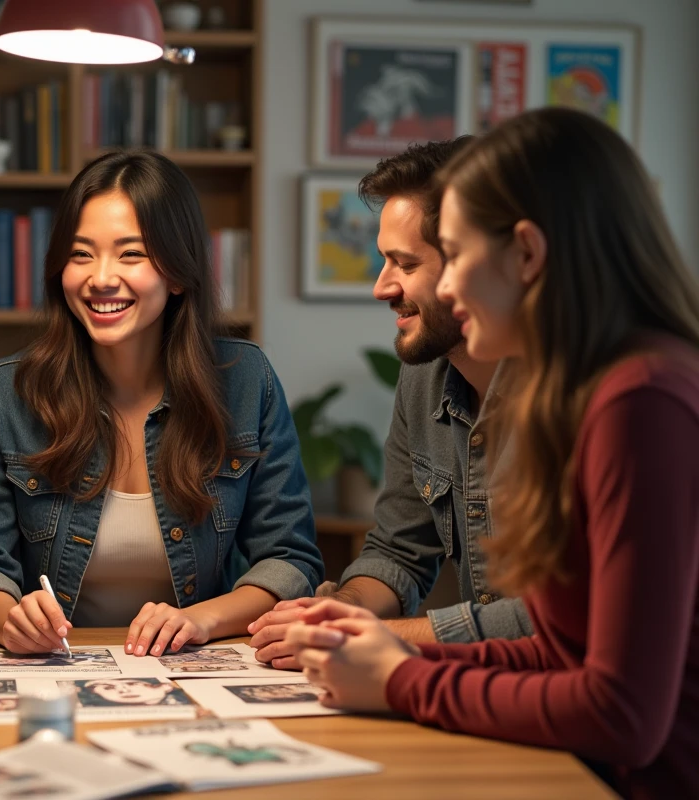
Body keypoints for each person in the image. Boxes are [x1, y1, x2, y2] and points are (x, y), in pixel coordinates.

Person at [254, 108, 699, 800]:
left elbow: (624, 716)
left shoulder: (638, 398)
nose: (452, 289)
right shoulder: (597, 388)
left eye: (453, 256)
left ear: (526, 254)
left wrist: (401, 677)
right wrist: (387, 652)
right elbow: (560, 649)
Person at [0, 151, 322, 657]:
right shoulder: (6, 391)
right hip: (55, 670)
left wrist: (197, 620)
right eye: (80, 254)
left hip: (194, 666)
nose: (100, 278)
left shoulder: (246, 381)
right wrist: (9, 618)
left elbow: (290, 558)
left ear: (179, 272)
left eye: (131, 254)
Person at [251, 136, 534, 646]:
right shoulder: (424, 374)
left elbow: (559, 622)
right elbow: (400, 550)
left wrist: (389, 637)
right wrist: (342, 610)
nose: (381, 287)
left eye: (405, 264)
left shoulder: (586, 397)